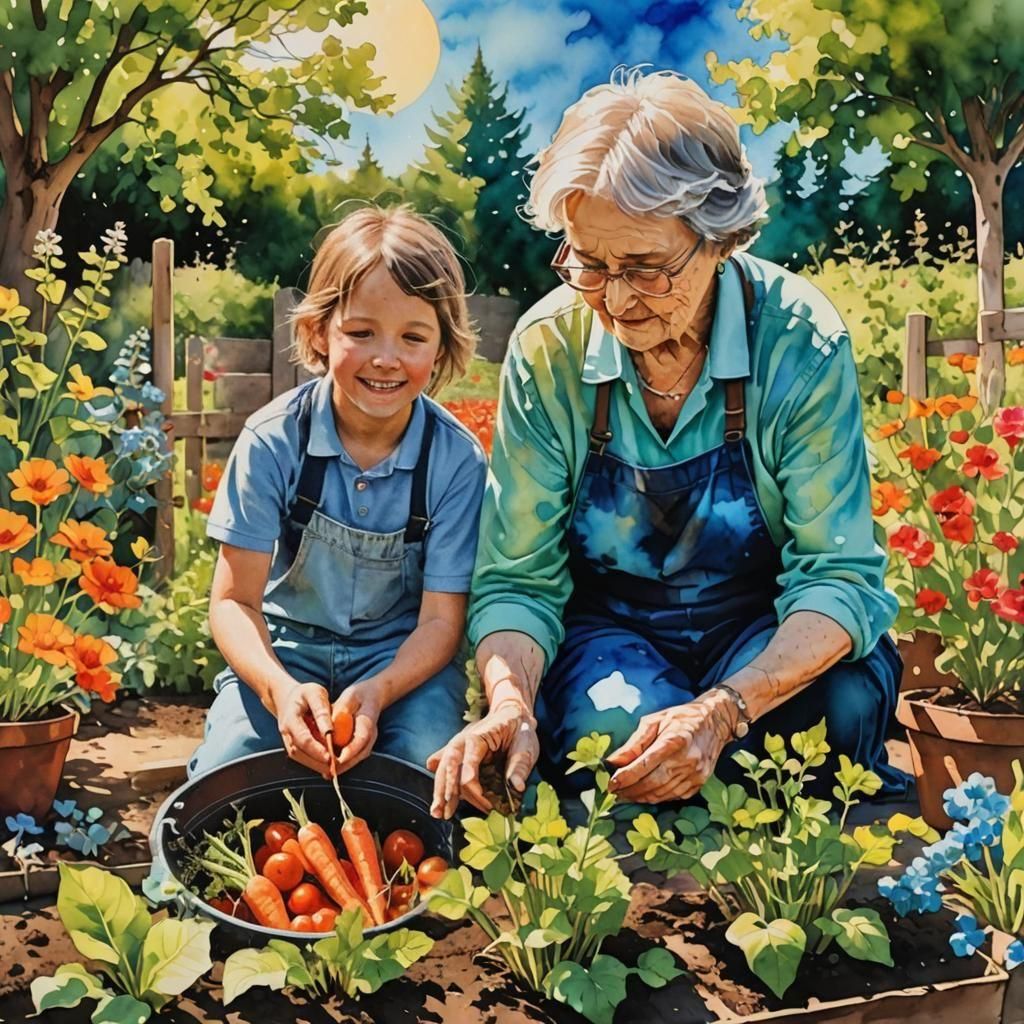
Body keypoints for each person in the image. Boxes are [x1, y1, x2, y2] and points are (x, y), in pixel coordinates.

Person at [428, 68, 906, 819]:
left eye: (646, 268)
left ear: (721, 239)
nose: (616, 300)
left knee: (833, 717)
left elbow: (837, 576)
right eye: (589, 264)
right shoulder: (551, 347)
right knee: (612, 743)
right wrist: (510, 702)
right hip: (612, 633)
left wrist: (723, 710)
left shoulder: (799, 342)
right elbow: (519, 580)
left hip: (763, 627)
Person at [188, 205, 487, 780]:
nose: (386, 357)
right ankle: (176, 875)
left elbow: (440, 625)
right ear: (318, 331)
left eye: (413, 337)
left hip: (401, 662)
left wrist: (378, 691)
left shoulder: (455, 462)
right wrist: (277, 689)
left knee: (422, 768)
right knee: (225, 774)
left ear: (442, 347)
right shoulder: (274, 441)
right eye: (360, 332)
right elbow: (232, 603)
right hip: (284, 649)